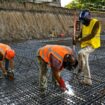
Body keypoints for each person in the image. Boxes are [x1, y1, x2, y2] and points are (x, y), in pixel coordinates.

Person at [76, 10, 101, 85]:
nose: (83, 22)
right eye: (82, 21)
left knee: (81, 53)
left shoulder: (96, 22)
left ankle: (80, 67)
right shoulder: (84, 25)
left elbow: (92, 34)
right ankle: (87, 81)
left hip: (92, 45)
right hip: (85, 45)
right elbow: (81, 34)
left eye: (84, 20)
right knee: (85, 62)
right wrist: (76, 38)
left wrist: (81, 39)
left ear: (89, 17)